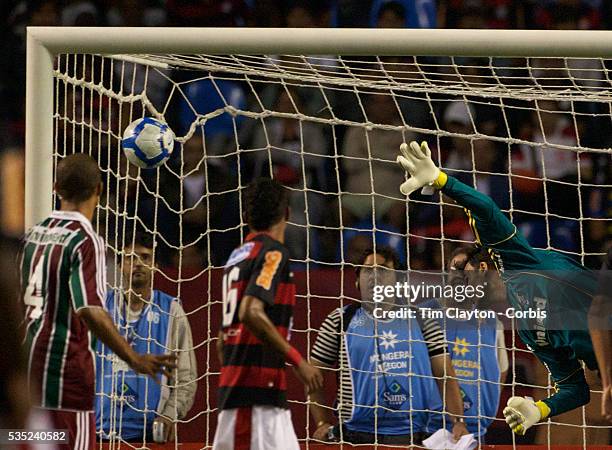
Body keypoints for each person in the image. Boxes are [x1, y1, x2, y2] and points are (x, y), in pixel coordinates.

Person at [395, 140, 605, 435]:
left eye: (461, 274)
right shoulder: (527, 328)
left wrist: (443, 181)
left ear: (482, 268)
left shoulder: (516, 261)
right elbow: (575, 388)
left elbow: (486, 209)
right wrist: (542, 408)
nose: (457, 285)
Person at [20, 154, 176, 449]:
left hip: (28, 375)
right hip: (65, 380)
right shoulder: (84, 239)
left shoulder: (33, 234)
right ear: (99, 190)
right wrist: (134, 357)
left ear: (55, 188)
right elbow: (89, 309)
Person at [308, 247, 469, 445]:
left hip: (413, 438)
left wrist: (458, 421)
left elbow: (446, 374)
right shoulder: (340, 319)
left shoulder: (421, 319)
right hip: (355, 438)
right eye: (368, 270)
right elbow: (312, 374)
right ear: (357, 281)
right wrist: (322, 422)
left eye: (383, 269)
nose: (375, 276)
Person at [212, 178, 323, 450]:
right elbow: (251, 310)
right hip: (254, 399)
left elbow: (221, 341)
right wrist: (300, 362)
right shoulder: (273, 253)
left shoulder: (236, 256)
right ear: (287, 213)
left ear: (245, 217)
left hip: (255, 394)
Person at [96, 232, 197, 442]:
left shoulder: (171, 310)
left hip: (149, 434)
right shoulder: (100, 308)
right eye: (130, 258)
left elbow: (186, 377)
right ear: (120, 265)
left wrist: (169, 415)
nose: (138, 264)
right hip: (100, 430)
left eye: (145, 257)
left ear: (156, 265)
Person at [425, 246, 509, 440]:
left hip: (474, 430)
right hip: (431, 429)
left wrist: (482, 406)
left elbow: (501, 370)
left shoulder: (492, 322)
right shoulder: (424, 315)